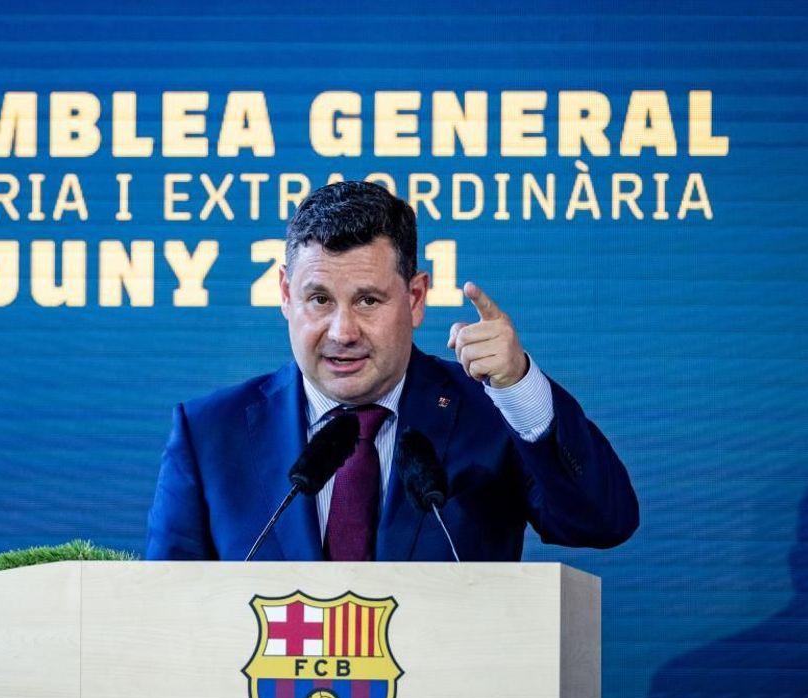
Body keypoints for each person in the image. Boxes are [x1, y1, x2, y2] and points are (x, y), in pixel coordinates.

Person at [146, 180, 638, 561]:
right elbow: (164, 613)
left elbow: (603, 522)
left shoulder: (489, 414)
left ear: (416, 297)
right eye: (319, 299)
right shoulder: (210, 433)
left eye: (368, 300)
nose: (343, 331)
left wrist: (521, 388)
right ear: (285, 295)